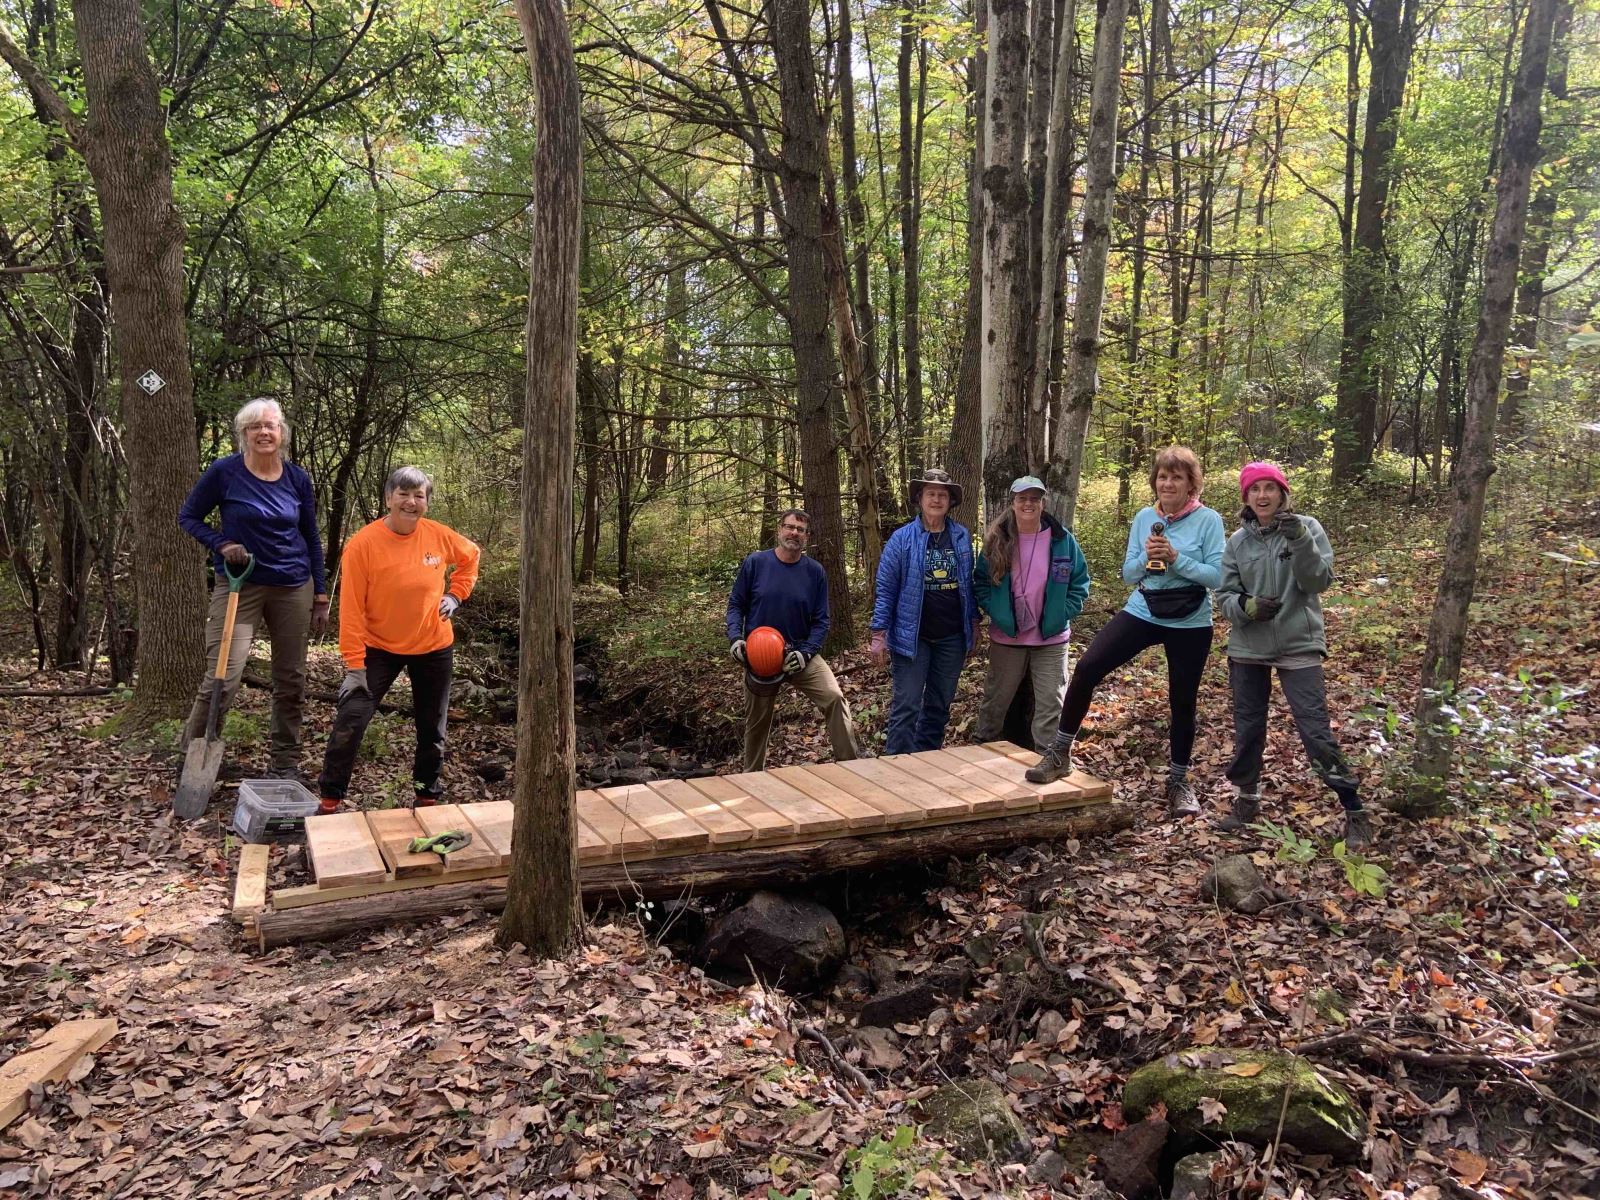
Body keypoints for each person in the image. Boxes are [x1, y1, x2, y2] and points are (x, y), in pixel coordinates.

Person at [1026, 446, 1225, 816]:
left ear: (1191, 484)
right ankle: (1059, 754)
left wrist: (1176, 559)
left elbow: (1217, 576)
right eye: (1163, 476)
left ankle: (1179, 781)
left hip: (1190, 618)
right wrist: (1147, 559)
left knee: (1183, 700)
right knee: (1087, 669)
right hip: (1144, 608)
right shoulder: (1144, 517)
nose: (1168, 483)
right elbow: (1130, 574)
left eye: (1176, 477)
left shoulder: (1208, 520)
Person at [1215, 463, 1371, 847]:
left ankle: (1354, 808)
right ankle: (1247, 800)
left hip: (1298, 643)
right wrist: (1246, 607)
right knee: (1248, 728)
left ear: (1283, 493)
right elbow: (1223, 596)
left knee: (1315, 729)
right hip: (1248, 647)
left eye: (1270, 488)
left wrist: (1300, 539)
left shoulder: (1308, 527)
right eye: (1255, 490)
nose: (1263, 496)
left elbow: (1318, 581)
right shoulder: (1237, 542)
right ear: (1246, 498)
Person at [178, 397, 329, 779]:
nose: (264, 432)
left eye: (271, 425)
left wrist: (321, 593)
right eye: (255, 426)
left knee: (291, 679)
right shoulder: (225, 472)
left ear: (282, 433)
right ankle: (193, 756)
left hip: (293, 585)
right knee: (222, 677)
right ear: (244, 434)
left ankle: (285, 762)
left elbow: (310, 535)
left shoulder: (297, 478)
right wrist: (222, 544)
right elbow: (189, 516)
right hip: (238, 586)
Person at [317, 467, 480, 813]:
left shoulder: (438, 535)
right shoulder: (363, 544)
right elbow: (351, 611)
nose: (411, 502)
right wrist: (354, 666)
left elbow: (471, 556)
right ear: (388, 498)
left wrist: (456, 595)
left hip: (433, 646)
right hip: (378, 648)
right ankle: (330, 800)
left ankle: (426, 797)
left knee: (432, 728)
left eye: (419, 495)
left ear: (427, 502)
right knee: (351, 718)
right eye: (403, 494)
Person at [725, 508, 863, 772]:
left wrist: (807, 652)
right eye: (789, 527)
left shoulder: (815, 572)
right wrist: (735, 639)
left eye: (800, 530)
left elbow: (822, 620)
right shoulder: (756, 563)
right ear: (779, 530)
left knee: (834, 698)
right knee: (756, 723)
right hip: (760, 656)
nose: (794, 533)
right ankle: (752, 779)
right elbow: (735, 605)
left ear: (807, 537)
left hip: (799, 653)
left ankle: (851, 768)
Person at [974, 477, 1091, 752]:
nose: (1028, 503)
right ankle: (980, 751)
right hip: (1007, 638)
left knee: (1051, 703)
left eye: (1034, 499)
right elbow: (980, 582)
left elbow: (1080, 581)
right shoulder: (997, 539)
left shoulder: (1062, 540)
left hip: (1051, 639)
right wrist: (998, 611)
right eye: (1022, 498)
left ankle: (1049, 759)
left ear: (1043, 503)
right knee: (996, 701)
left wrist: (1063, 612)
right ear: (1013, 503)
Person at [869, 468, 979, 755]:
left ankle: (925, 765)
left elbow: (968, 585)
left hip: (951, 637)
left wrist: (973, 623)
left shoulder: (961, 537)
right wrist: (878, 633)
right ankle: (897, 769)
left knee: (939, 705)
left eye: (942, 495)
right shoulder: (901, 539)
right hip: (911, 637)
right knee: (906, 706)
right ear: (920, 498)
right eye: (931, 493)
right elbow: (886, 588)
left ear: (950, 501)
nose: (936, 499)